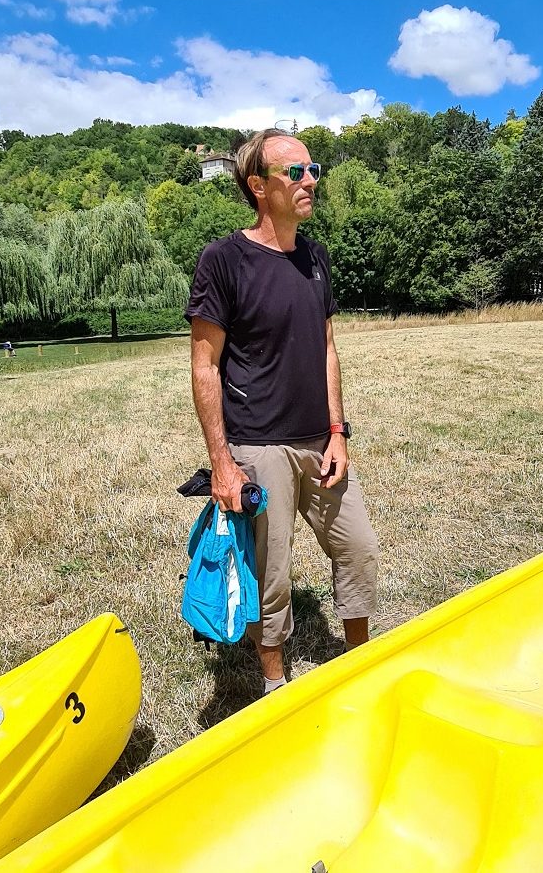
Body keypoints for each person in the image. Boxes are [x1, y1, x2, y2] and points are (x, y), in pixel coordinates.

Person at [186, 128, 378, 696]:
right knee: (272, 575)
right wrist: (222, 463)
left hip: (320, 442)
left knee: (359, 547)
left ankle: (357, 664)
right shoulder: (224, 260)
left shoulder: (314, 257)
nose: (310, 180)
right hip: (258, 442)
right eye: (294, 173)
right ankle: (275, 682)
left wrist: (338, 432)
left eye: (312, 169)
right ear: (257, 186)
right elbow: (204, 367)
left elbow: (325, 347)